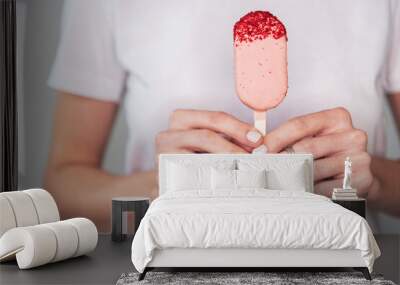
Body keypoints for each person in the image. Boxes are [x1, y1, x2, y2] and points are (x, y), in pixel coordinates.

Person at [45, 0, 400, 232]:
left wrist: (376, 180)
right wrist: (165, 184)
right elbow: (63, 188)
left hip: (344, 264)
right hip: (170, 263)